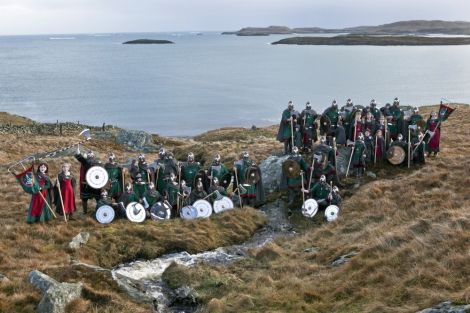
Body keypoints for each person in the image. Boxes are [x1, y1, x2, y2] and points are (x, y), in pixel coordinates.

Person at [75, 148, 101, 214]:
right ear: (87, 156)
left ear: (93, 156)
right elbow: (80, 158)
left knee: (98, 198)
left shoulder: (98, 163)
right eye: (89, 155)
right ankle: (85, 211)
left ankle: (98, 210)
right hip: (86, 183)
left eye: (91, 155)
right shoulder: (85, 162)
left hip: (96, 183)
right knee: (84, 198)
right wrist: (78, 153)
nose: (90, 156)